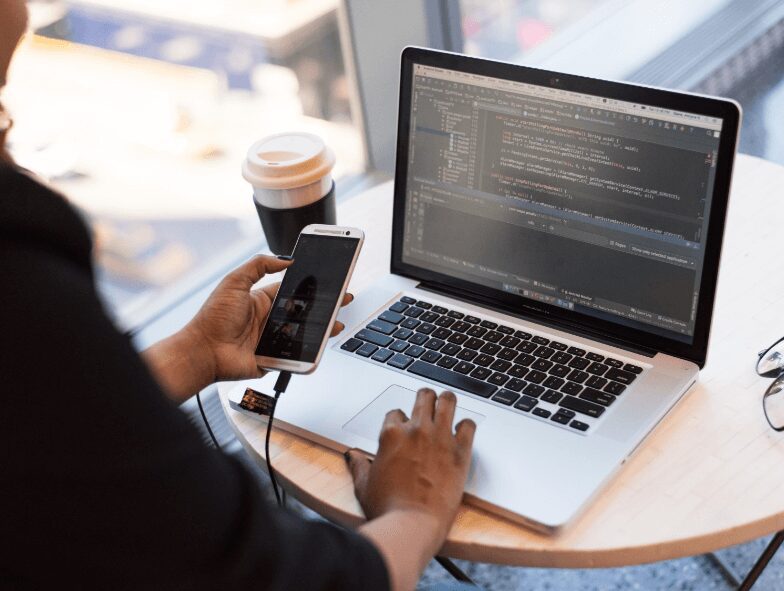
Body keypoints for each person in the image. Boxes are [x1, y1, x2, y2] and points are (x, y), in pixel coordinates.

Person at [0, 2, 477, 589]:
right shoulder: (26, 296)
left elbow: (58, 432)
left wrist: (197, 351)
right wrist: (415, 512)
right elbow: (283, 578)